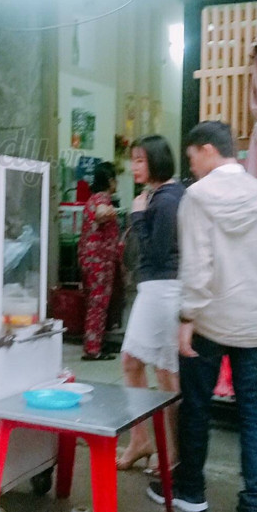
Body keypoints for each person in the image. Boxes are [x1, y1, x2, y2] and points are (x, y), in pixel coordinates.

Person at [148, 120, 257, 512]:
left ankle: (191, 490)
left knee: (196, 406)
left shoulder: (197, 198)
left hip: (208, 324)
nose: (191, 167)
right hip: (254, 326)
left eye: (192, 157)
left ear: (207, 150)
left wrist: (187, 318)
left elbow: (197, 266)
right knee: (254, 415)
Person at [116, 136, 184, 471]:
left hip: (164, 290)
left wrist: (138, 217)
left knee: (166, 373)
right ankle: (141, 440)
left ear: (157, 161)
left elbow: (156, 252)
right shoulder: (158, 195)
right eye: (133, 160)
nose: (134, 167)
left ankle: (171, 450)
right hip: (154, 290)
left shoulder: (168, 199)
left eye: (140, 160)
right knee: (133, 362)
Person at [77, 161, 119, 361]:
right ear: (110, 181)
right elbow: (101, 214)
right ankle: (93, 349)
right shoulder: (102, 198)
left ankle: (94, 343)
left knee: (94, 303)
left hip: (91, 259)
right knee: (98, 304)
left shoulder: (92, 198)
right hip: (99, 262)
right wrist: (111, 212)